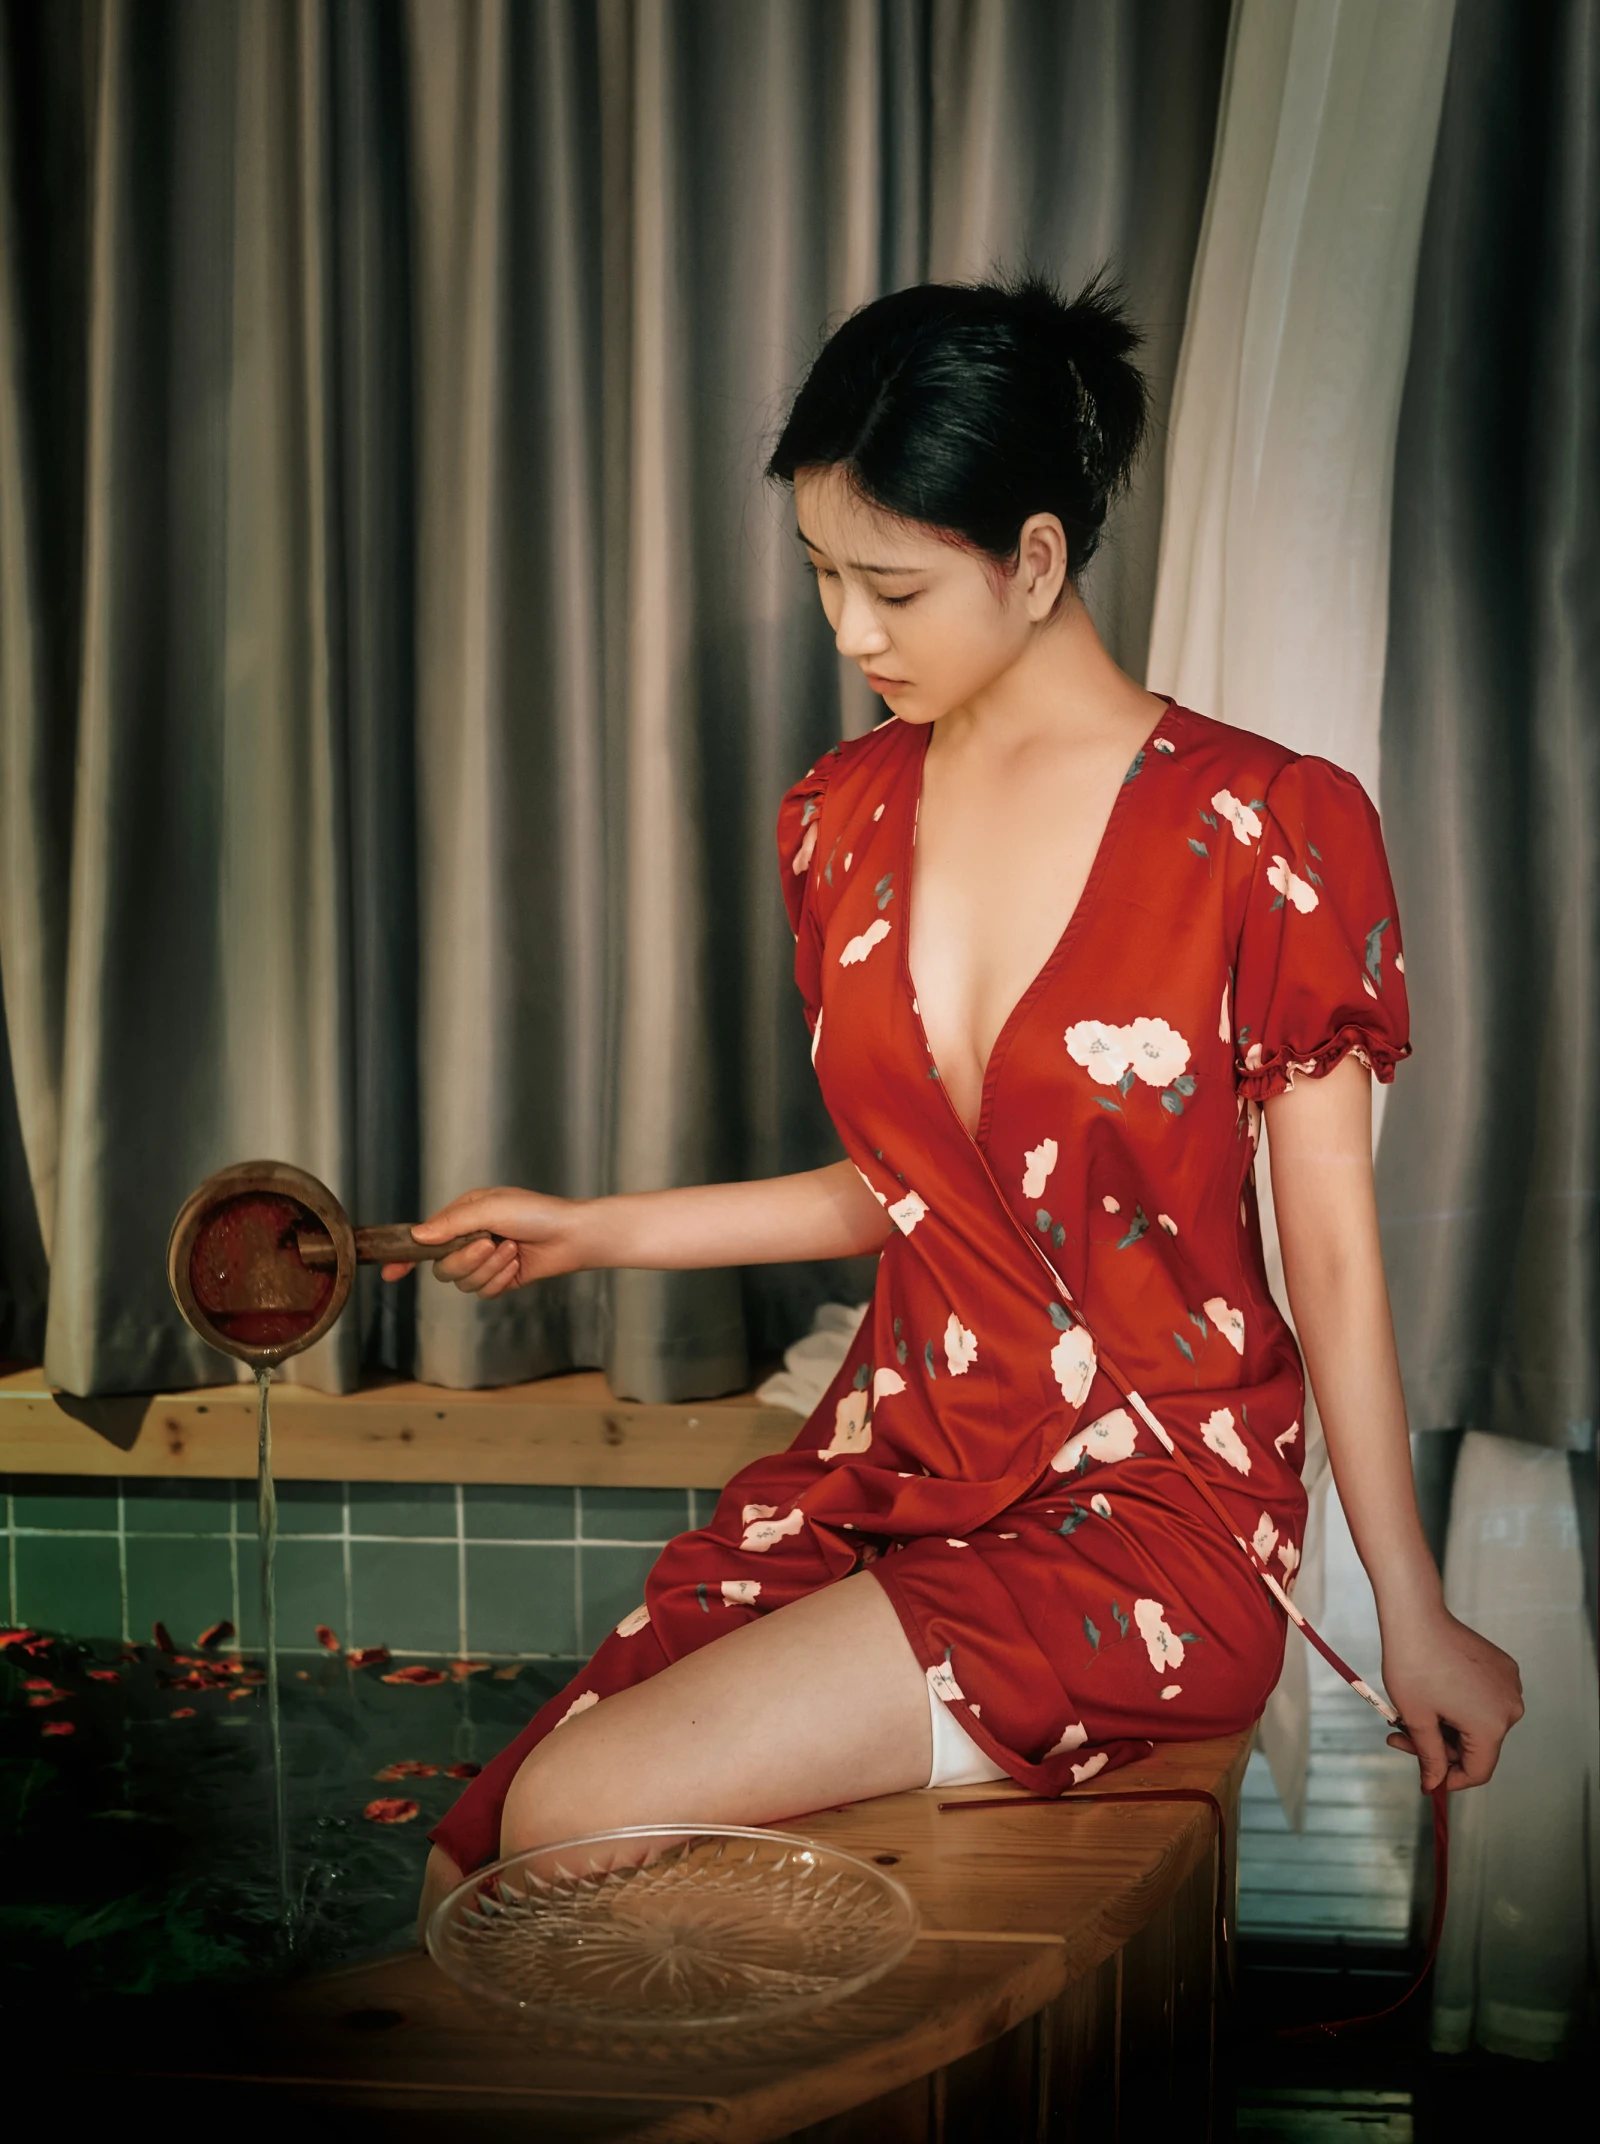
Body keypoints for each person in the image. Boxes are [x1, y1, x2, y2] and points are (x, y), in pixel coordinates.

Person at [392, 275, 1522, 1937]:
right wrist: (589, 1233)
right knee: (472, 1860)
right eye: (821, 576)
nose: (850, 633)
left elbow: (1333, 1259)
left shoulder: (1270, 825)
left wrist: (1411, 1611)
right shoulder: (837, 815)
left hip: (1145, 1514)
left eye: (893, 587)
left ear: (1038, 561)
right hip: (893, 1462)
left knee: (568, 1825)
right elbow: (910, 1189)